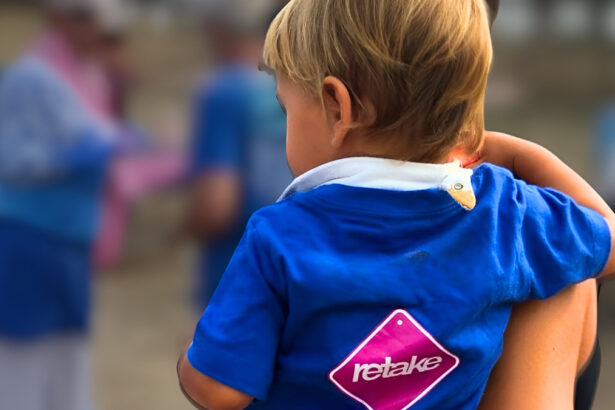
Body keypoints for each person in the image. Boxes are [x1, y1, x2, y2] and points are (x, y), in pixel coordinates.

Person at [178, 1, 615, 409]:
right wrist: (517, 154)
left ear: (337, 107)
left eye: (285, 108)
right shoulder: (507, 215)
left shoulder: (279, 236)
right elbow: (608, 238)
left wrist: (192, 359)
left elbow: (218, 391)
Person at [0, 1, 117, 409]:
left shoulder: (90, 77)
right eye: (84, 16)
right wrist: (68, 158)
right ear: (58, 17)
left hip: (71, 247)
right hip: (29, 241)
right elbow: (10, 157)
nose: (95, 27)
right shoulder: (30, 77)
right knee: (21, 373)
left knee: (69, 371)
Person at [188, 0, 292, 305]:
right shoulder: (315, 89)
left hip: (239, 273)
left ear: (216, 29)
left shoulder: (227, 92)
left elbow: (216, 206)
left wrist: (180, 231)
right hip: (305, 269)